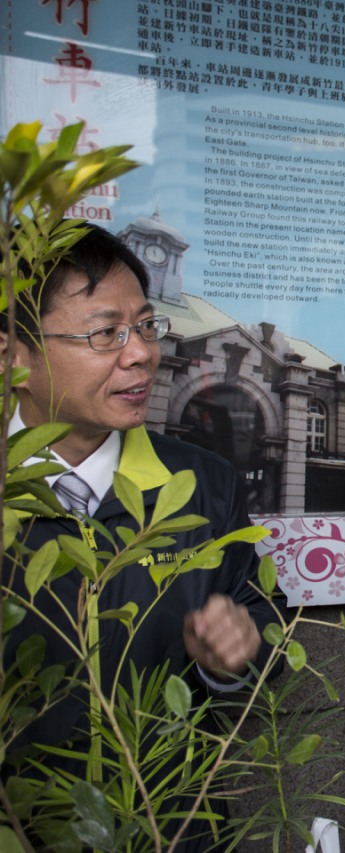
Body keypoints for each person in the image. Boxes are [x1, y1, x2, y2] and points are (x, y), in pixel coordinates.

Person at [1, 223, 273, 850]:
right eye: (105, 334)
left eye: (146, 327)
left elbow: (260, 618)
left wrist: (239, 648)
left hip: (172, 829)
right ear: (13, 355)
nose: (141, 353)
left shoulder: (202, 483)